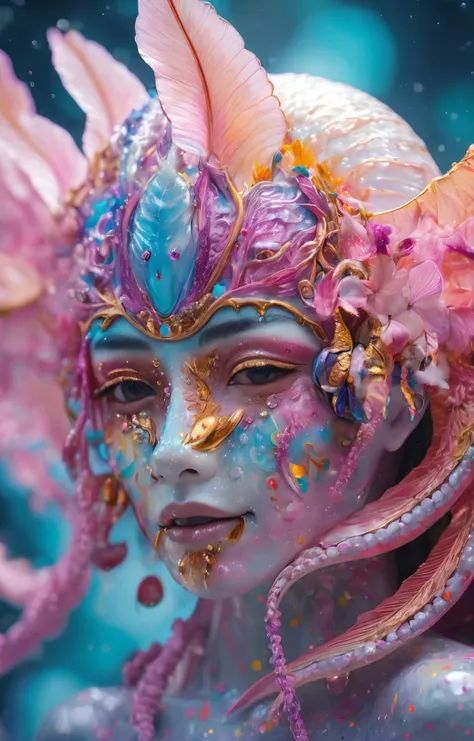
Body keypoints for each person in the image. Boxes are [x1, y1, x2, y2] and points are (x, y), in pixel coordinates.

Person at [1, 1, 474, 739]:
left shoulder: (437, 714)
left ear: (400, 391)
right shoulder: (93, 729)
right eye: (128, 388)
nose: (170, 449)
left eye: (254, 371)